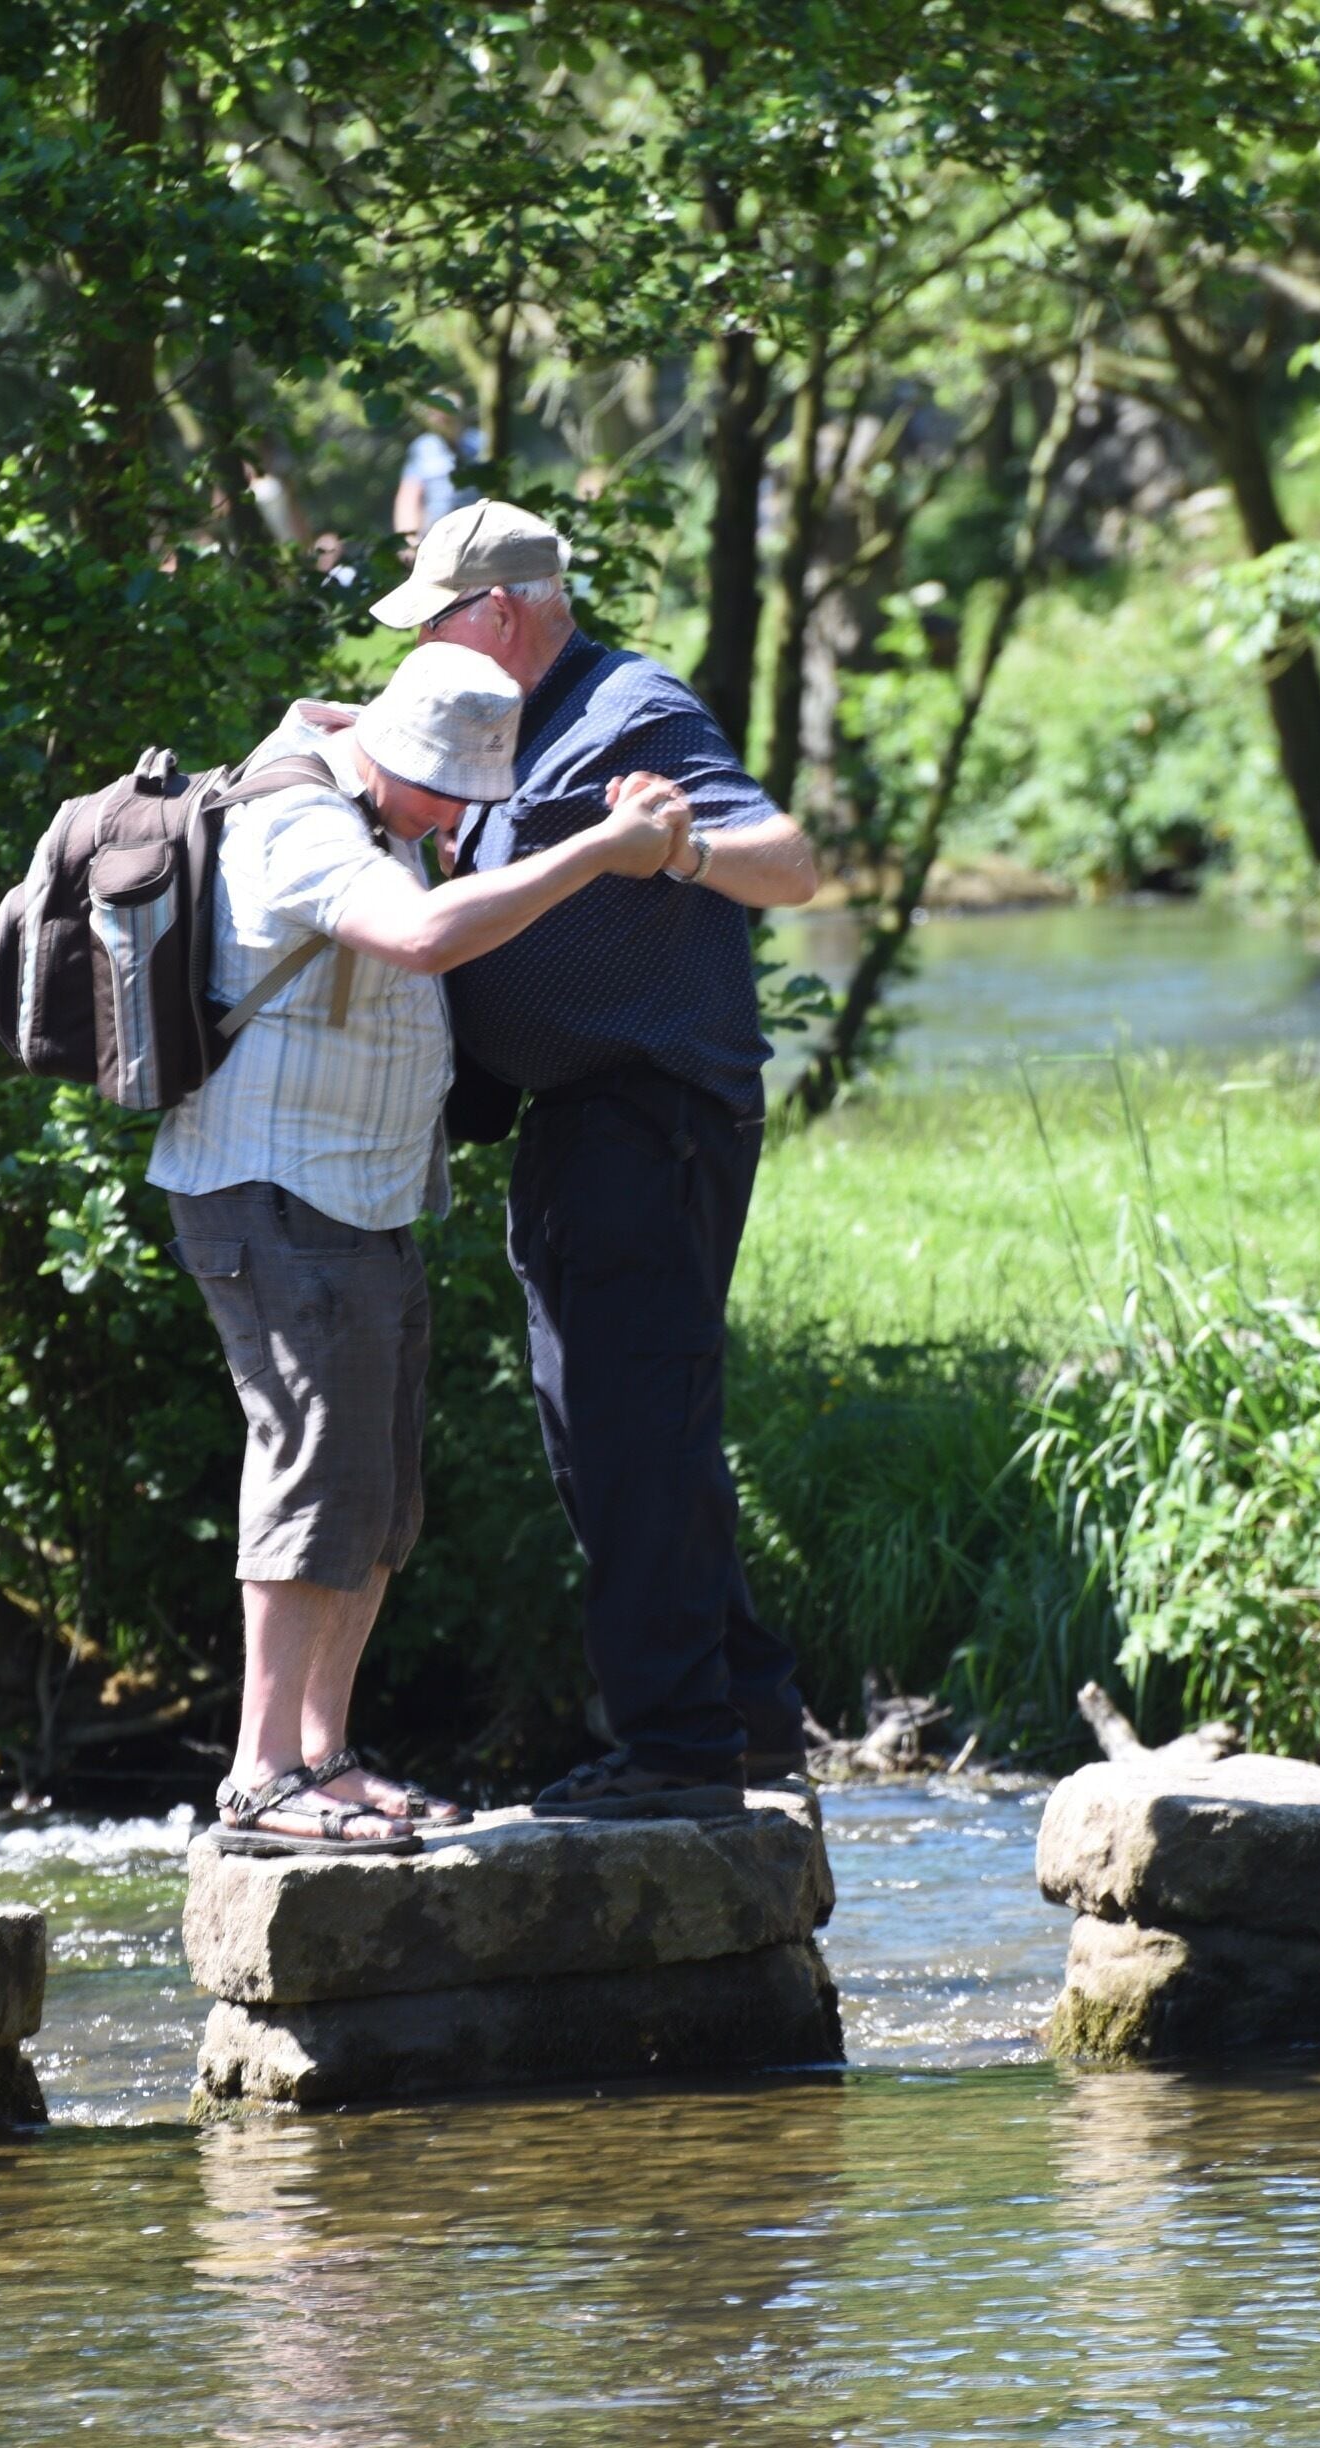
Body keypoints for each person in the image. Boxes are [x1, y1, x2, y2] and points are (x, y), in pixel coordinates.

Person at [151, 641, 693, 1854]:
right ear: (391, 753)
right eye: (450, 796)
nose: (460, 821)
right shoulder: (299, 820)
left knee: (378, 1490)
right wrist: (599, 852)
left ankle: (324, 1758)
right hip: (272, 1190)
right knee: (309, 1465)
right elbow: (420, 936)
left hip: (362, 1193)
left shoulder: (384, 792)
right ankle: (259, 1773)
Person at [369, 502, 820, 1819]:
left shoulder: (626, 706)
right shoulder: (516, 718)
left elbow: (787, 865)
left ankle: (679, 1747)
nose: (419, 656)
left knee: (627, 1433)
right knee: (630, 1426)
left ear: (498, 615)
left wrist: (672, 846)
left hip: (651, 1118)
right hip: (590, 1125)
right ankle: (743, 1710)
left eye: (436, 623)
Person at [393, 400, 485, 545]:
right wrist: (410, 540)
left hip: (482, 532)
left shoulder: (480, 441)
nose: (440, 416)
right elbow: (409, 497)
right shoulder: (422, 448)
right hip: (438, 538)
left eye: (446, 410)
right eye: (435, 412)